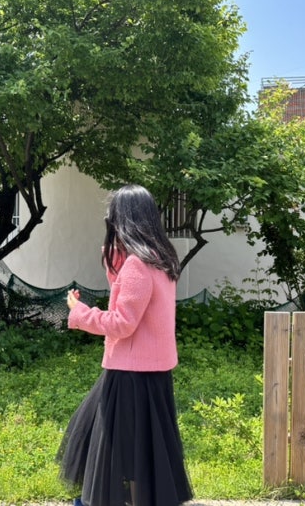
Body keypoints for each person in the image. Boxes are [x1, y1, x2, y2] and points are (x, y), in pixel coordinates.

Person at [57, 184, 193, 506]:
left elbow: (122, 323)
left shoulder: (137, 265)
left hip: (129, 372)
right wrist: (113, 254)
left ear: (123, 218)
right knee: (140, 450)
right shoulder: (162, 260)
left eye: (113, 214)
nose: (109, 218)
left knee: (112, 449)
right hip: (151, 373)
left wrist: (80, 312)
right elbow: (124, 288)